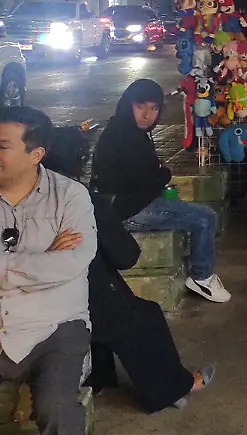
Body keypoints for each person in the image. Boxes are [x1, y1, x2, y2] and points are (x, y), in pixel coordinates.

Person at [43, 126, 213, 413]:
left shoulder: (34, 197)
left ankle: (101, 376)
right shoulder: (84, 199)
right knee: (142, 316)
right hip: (72, 296)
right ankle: (170, 387)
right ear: (80, 161)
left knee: (112, 293)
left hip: (52, 290)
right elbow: (125, 256)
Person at [0, 107, 96, 434]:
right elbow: (55, 266)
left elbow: (73, 261)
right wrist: (43, 261)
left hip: (55, 327)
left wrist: (5, 269)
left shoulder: (71, 197)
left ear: (35, 154)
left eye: (2, 146)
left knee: (55, 407)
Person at [92, 79, 231, 303]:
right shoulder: (127, 136)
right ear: (128, 104)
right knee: (205, 217)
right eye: (141, 106)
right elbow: (144, 179)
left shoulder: (121, 129)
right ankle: (201, 277)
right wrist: (165, 172)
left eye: (154, 108)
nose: (147, 114)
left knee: (187, 209)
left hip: (121, 206)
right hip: (130, 210)